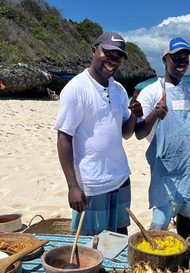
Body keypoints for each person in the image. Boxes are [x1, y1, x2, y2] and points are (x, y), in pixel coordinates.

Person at [54, 31, 143, 236]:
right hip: (92, 183)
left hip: (121, 177)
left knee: (120, 236)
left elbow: (125, 134)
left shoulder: (119, 89)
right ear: (94, 50)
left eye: (117, 57)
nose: (112, 61)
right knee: (90, 245)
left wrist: (134, 115)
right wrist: (72, 186)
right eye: (107, 53)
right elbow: (64, 138)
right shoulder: (76, 89)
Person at [135, 37, 190, 239]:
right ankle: (153, 261)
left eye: (185, 58)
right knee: (160, 222)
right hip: (166, 171)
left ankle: (183, 250)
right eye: (175, 57)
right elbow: (139, 133)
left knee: (185, 215)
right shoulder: (151, 92)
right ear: (165, 60)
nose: (181, 61)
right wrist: (155, 114)